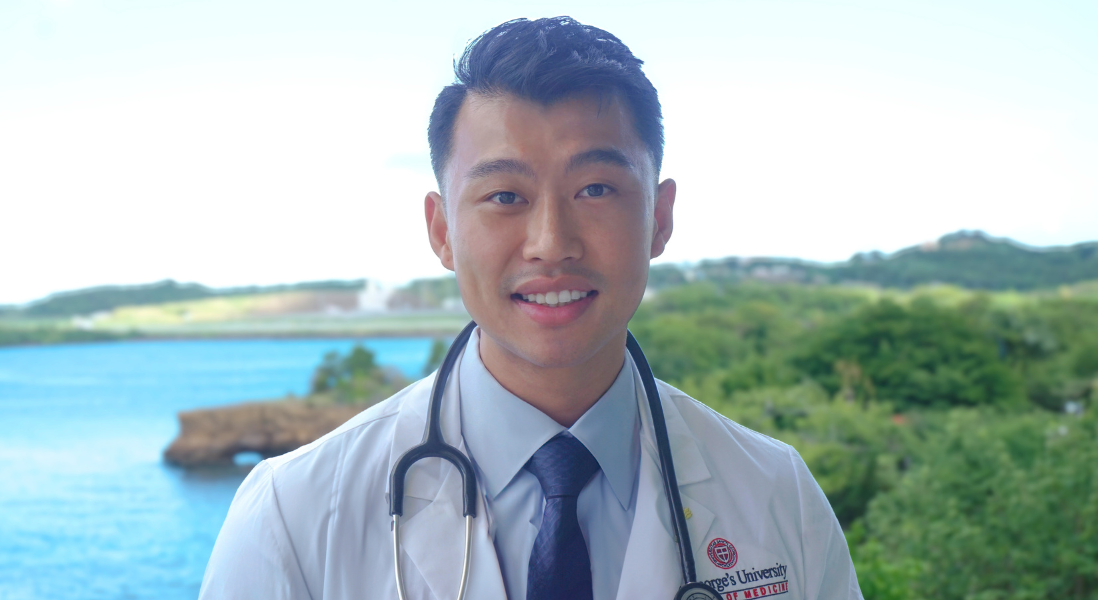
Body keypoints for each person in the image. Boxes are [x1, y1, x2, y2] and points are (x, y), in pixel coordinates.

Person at [199, 16, 862, 600]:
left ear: (659, 219)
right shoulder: (294, 515)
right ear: (441, 231)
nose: (551, 244)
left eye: (596, 188)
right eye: (504, 197)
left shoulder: (776, 493)